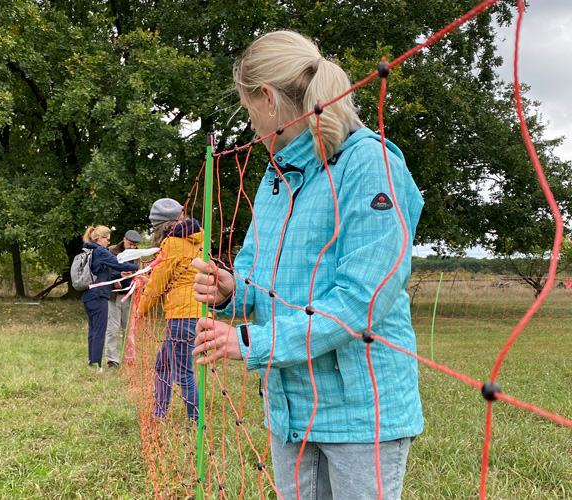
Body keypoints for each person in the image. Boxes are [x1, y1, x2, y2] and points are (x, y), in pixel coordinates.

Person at [191, 30, 424, 499]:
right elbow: (260, 280)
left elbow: (364, 299)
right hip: (290, 410)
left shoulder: (369, 164)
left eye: (248, 109)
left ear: (268, 99)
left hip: (361, 412)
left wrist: (253, 340)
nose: (252, 126)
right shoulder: (276, 178)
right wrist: (233, 291)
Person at [136, 198, 202, 421]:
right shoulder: (198, 240)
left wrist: (141, 309)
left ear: (158, 225)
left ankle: (195, 418)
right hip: (198, 312)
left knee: (183, 372)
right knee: (163, 364)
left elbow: (158, 284)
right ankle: (159, 413)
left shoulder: (172, 243)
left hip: (183, 315)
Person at [80, 225, 139, 372]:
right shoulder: (103, 251)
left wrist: (121, 275)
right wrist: (138, 269)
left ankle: (95, 362)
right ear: (100, 238)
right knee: (105, 330)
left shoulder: (90, 250)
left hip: (105, 295)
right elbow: (116, 264)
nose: (108, 242)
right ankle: (103, 363)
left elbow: (106, 275)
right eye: (107, 239)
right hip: (104, 295)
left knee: (100, 330)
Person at [104, 229, 142, 368]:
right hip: (113, 296)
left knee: (129, 329)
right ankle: (112, 360)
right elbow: (105, 270)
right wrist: (116, 277)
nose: (133, 247)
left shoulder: (138, 255)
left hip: (130, 296)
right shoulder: (111, 251)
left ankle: (130, 359)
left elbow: (141, 270)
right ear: (124, 239)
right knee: (112, 329)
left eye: (135, 245)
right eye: (130, 244)